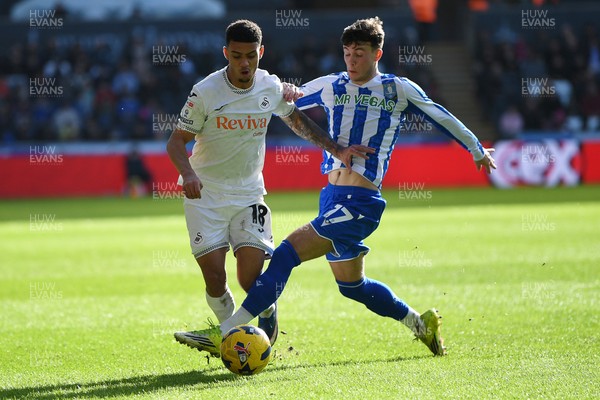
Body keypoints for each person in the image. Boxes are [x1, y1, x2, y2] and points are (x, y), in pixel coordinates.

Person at [187, 17, 496, 357]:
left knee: (287, 254)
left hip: (361, 202)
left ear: (377, 54)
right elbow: (279, 102)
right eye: (347, 52)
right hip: (331, 198)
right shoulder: (331, 85)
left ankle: (227, 331)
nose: (351, 60)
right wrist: (285, 91)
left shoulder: (398, 88)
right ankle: (420, 324)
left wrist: (476, 149)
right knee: (352, 286)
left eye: (360, 53)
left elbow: (439, 114)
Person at [167, 20, 371, 354]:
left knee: (251, 279)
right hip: (206, 196)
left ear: (261, 53)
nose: (244, 64)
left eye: (251, 56)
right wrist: (188, 173)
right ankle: (232, 337)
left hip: (250, 195)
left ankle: (260, 316)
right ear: (226, 54)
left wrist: (336, 149)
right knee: (215, 279)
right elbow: (176, 141)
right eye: (236, 56)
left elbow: (297, 122)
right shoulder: (205, 92)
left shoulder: (270, 87)